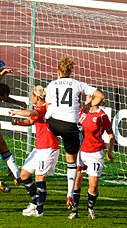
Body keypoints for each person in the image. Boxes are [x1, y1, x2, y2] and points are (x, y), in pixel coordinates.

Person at [44, 56, 105, 209]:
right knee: (75, 160)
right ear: (70, 71)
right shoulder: (78, 84)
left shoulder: (51, 84)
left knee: (56, 142)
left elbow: (48, 104)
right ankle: (70, 194)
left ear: (58, 71)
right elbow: (101, 96)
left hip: (52, 123)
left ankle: (46, 161)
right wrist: (87, 107)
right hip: (70, 125)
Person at [9, 85, 59, 217]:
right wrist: (18, 123)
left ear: (37, 97)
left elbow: (30, 114)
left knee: (39, 177)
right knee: (24, 174)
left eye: (32, 95)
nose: (31, 98)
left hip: (48, 147)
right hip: (39, 148)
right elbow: (30, 120)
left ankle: (39, 210)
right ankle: (34, 202)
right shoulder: (39, 109)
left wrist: (15, 111)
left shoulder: (43, 108)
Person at [68, 95, 114, 219]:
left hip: (95, 153)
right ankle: (75, 210)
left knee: (93, 184)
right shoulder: (82, 112)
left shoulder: (102, 116)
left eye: (90, 97)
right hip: (80, 152)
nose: (87, 98)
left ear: (96, 99)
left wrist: (109, 153)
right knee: (77, 180)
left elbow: (111, 136)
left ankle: (90, 208)